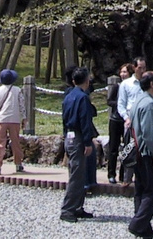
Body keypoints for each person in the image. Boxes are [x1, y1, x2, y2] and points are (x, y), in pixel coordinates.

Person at [128, 71, 153, 239]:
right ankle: (138, 224)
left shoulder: (137, 101)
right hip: (147, 152)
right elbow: (148, 133)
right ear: (151, 84)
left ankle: (143, 225)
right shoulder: (148, 104)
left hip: (137, 151)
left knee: (141, 189)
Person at [60, 66, 95, 223]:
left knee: (76, 173)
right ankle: (68, 209)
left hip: (69, 135)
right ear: (87, 81)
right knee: (77, 175)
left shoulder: (68, 96)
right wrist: (88, 142)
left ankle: (77, 207)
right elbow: (85, 121)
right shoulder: (83, 98)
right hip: (79, 137)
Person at [0, 69, 25, 175]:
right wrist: (24, 118)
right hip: (15, 120)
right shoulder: (17, 90)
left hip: (1, 120)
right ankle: (18, 164)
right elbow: (22, 105)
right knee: (15, 142)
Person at [117, 57, 146, 183]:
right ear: (134, 68)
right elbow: (121, 104)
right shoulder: (126, 84)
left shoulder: (147, 82)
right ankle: (127, 178)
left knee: (144, 148)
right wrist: (126, 118)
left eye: (144, 68)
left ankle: (143, 177)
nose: (142, 70)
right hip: (130, 120)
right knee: (130, 148)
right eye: (140, 68)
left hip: (144, 119)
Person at [106, 63, 132, 184]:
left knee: (127, 147)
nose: (122, 74)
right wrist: (120, 104)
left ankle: (124, 174)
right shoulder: (117, 86)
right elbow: (109, 101)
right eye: (121, 72)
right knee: (113, 148)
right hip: (116, 119)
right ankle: (111, 173)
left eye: (125, 72)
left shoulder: (132, 87)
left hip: (127, 120)